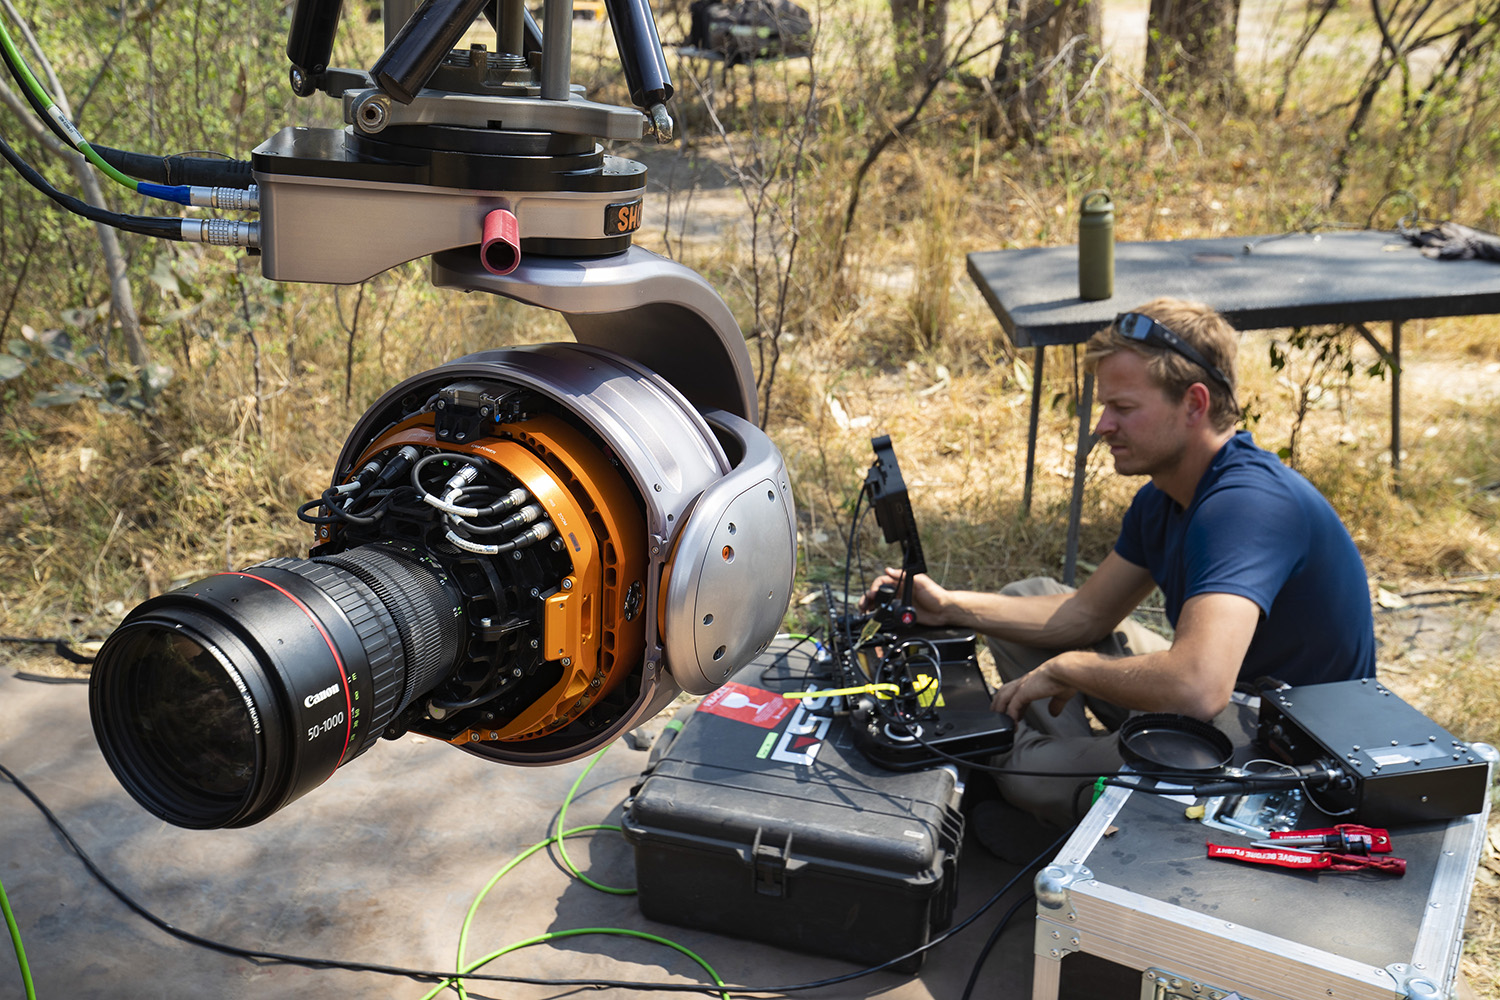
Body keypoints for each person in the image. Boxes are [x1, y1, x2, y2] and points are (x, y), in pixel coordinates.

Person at [863, 298, 1377, 834]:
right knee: (1026, 594)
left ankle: (1059, 787)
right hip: (1234, 692)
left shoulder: (1245, 506)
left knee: (1027, 773)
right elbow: (1084, 616)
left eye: (1123, 408)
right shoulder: (1166, 496)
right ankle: (1087, 788)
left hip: (1290, 749)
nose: (1102, 426)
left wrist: (1072, 669)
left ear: (1194, 403)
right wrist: (949, 606)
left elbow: (1199, 687)